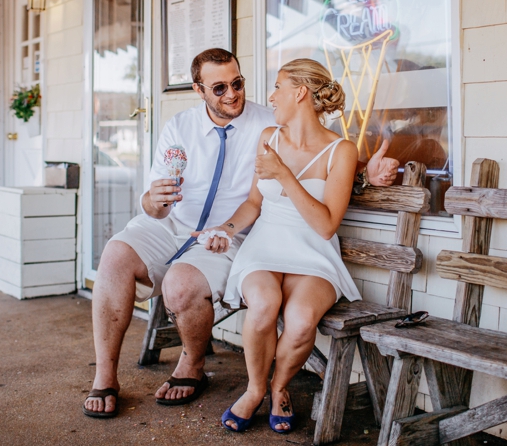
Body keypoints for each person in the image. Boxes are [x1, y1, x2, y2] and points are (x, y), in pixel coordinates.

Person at [83, 49, 399, 419]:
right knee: (114, 256)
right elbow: (156, 200)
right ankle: (105, 377)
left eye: (238, 83)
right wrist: (151, 201)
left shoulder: (270, 121)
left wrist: (366, 175)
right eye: (219, 88)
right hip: (172, 222)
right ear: (199, 90)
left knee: (181, 286)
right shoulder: (179, 126)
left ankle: (193, 365)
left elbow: (322, 152)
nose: (232, 94)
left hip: (228, 238)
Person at [193, 59, 360, 433]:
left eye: (278, 87)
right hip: (265, 248)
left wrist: (284, 174)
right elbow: (255, 203)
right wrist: (225, 228)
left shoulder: (341, 151)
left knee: (301, 323)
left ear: (300, 92)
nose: (270, 96)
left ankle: (278, 386)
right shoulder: (269, 136)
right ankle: (254, 390)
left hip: (312, 254)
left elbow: (326, 225)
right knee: (265, 304)